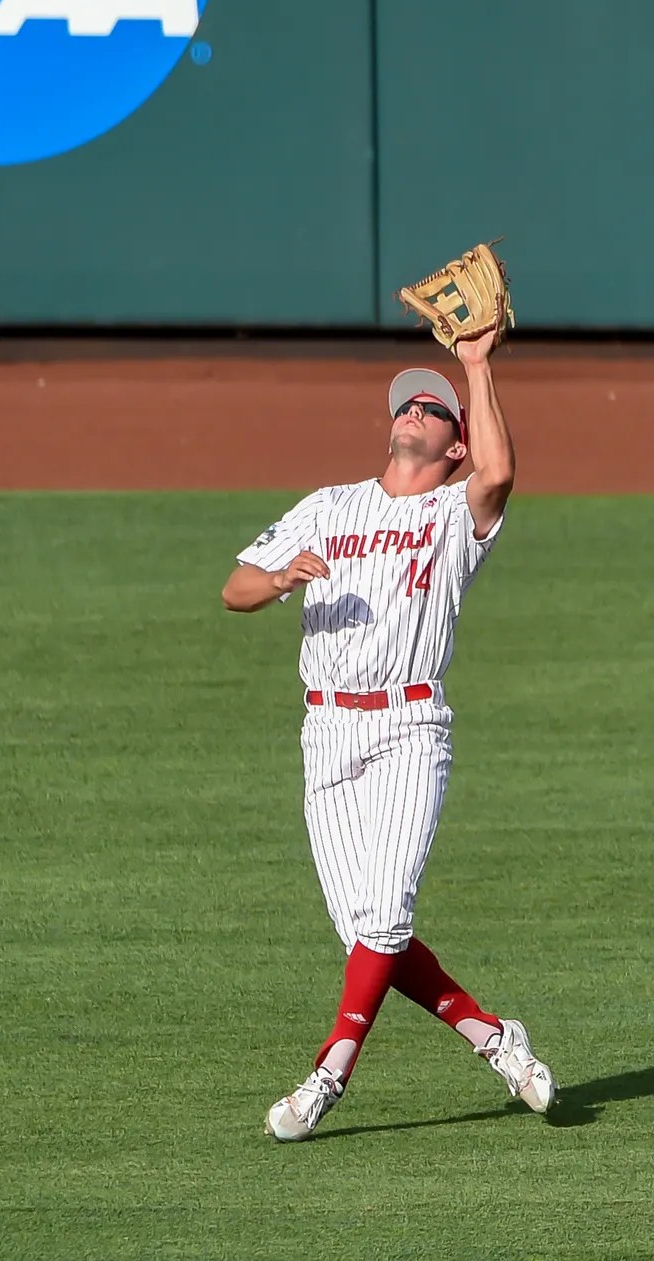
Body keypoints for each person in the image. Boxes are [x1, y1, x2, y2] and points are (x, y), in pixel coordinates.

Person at [221, 330, 555, 1141]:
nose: (414, 408)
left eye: (434, 407)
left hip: (409, 726)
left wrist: (476, 365)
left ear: (456, 441)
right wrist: (276, 581)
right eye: (407, 400)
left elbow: (503, 473)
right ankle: (492, 1035)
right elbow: (234, 588)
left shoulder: (454, 513)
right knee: (371, 929)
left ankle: (328, 1071)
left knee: (386, 912)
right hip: (326, 730)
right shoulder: (328, 506)